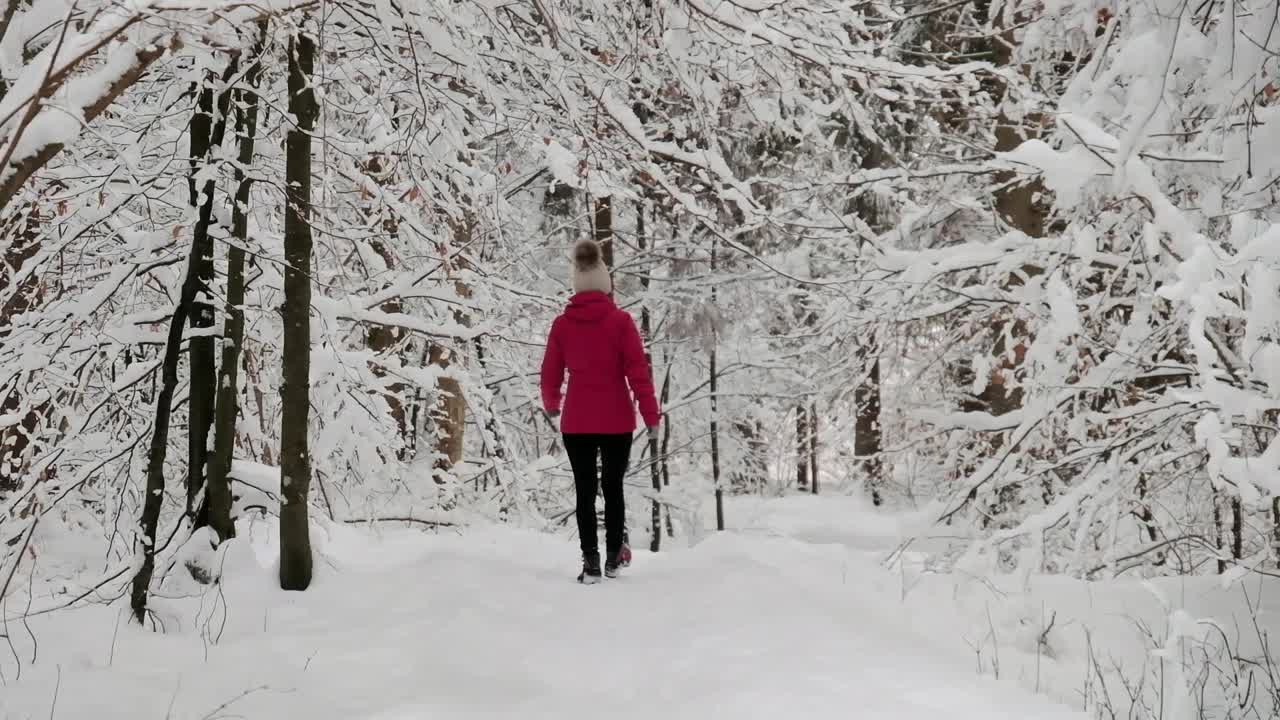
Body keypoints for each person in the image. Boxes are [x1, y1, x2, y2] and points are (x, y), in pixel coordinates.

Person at [540, 238, 661, 584]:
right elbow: (639, 373)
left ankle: (590, 563)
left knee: (583, 489)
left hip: (576, 421)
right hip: (616, 420)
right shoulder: (621, 322)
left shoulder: (563, 325)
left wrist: (552, 404)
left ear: (577, 283)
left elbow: (550, 372)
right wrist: (651, 416)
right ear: (606, 284)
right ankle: (613, 558)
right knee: (612, 486)